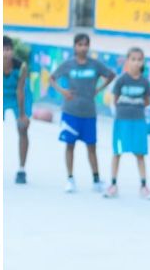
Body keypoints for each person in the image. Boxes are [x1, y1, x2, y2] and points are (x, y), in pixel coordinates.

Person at [49, 33, 115, 193]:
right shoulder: (68, 65)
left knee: (91, 147)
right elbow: (52, 78)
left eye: (86, 44)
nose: (83, 47)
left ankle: (96, 180)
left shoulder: (95, 65)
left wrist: (98, 89)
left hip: (89, 113)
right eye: (80, 44)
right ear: (74, 47)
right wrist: (63, 91)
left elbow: (111, 75)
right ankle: (70, 179)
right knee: (69, 146)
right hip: (70, 112)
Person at [105, 47, 150, 199]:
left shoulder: (145, 82)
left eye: (140, 59)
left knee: (140, 154)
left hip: (138, 121)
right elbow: (115, 99)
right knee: (117, 152)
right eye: (133, 59)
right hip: (122, 121)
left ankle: (144, 186)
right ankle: (113, 184)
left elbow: (147, 101)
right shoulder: (121, 80)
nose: (136, 62)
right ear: (127, 61)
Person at [3, 36, 31, 185]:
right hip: (2, 96)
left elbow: (20, 91)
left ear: (12, 51)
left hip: (18, 96)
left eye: (8, 50)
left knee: (23, 128)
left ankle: (22, 169)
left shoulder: (21, 66)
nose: (6, 53)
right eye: (3, 50)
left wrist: (22, 115)